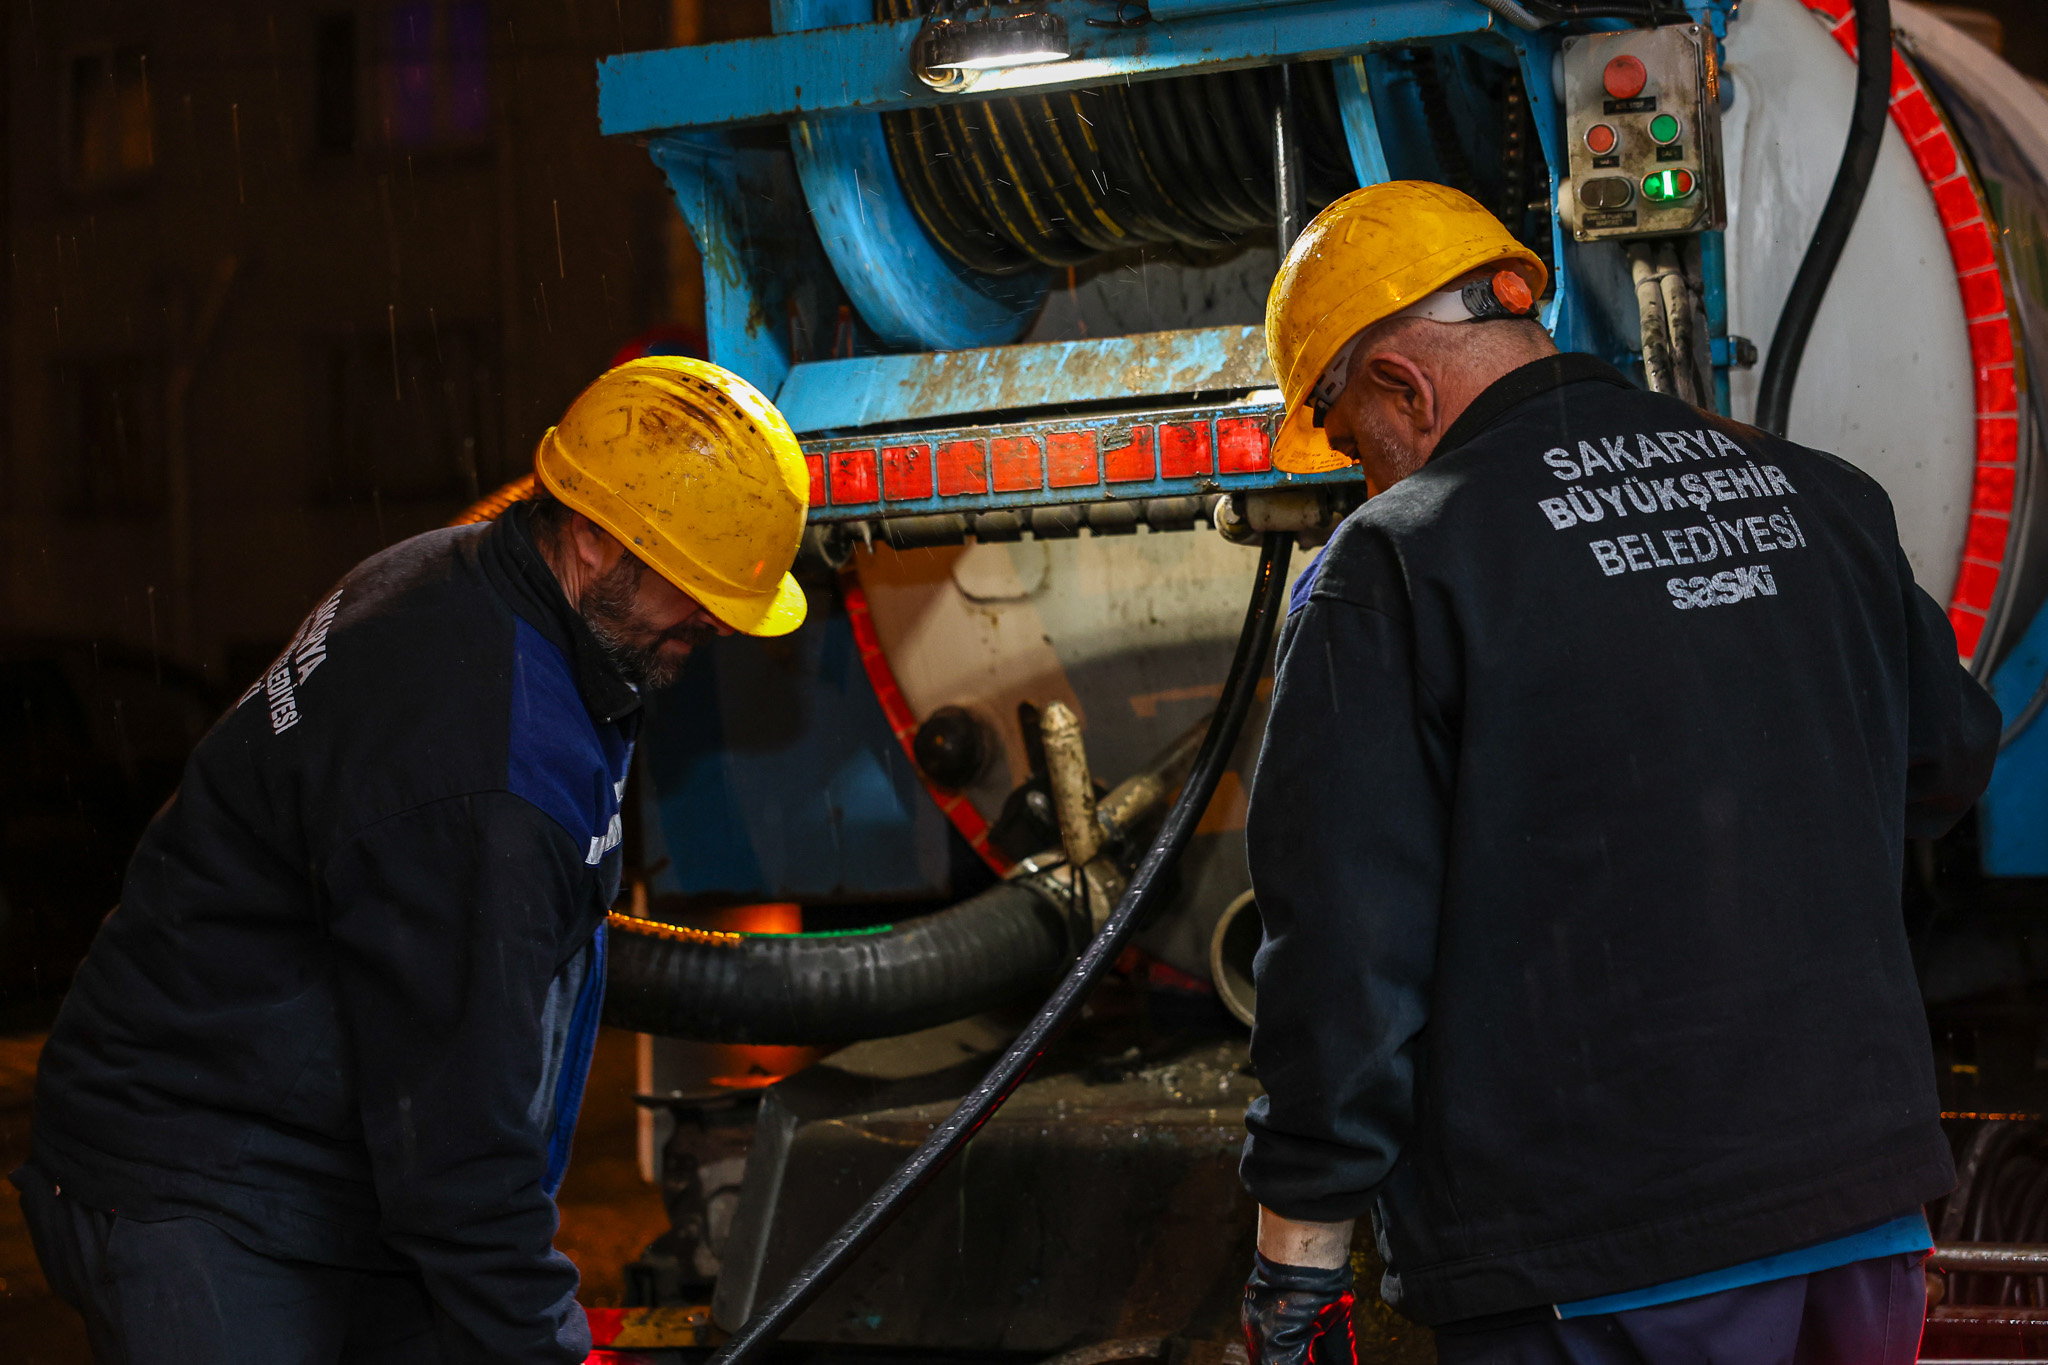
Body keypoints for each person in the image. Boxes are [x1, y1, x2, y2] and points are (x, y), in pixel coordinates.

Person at [1235, 182, 2002, 1364]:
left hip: (1596, 1259)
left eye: (1350, 441)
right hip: (1858, 1218)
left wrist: (1298, 1256)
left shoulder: (1394, 568)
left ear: (1401, 384)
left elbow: (1343, 954)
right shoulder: (1818, 496)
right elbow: (1944, 764)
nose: (1363, 476)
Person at [13, 356, 811, 1364]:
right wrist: (541, 1345)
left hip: (307, 1160)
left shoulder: (472, 583)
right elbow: (462, 1153)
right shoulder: (485, 767)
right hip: (199, 1186)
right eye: (695, 588)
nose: (715, 621)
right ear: (596, 538)